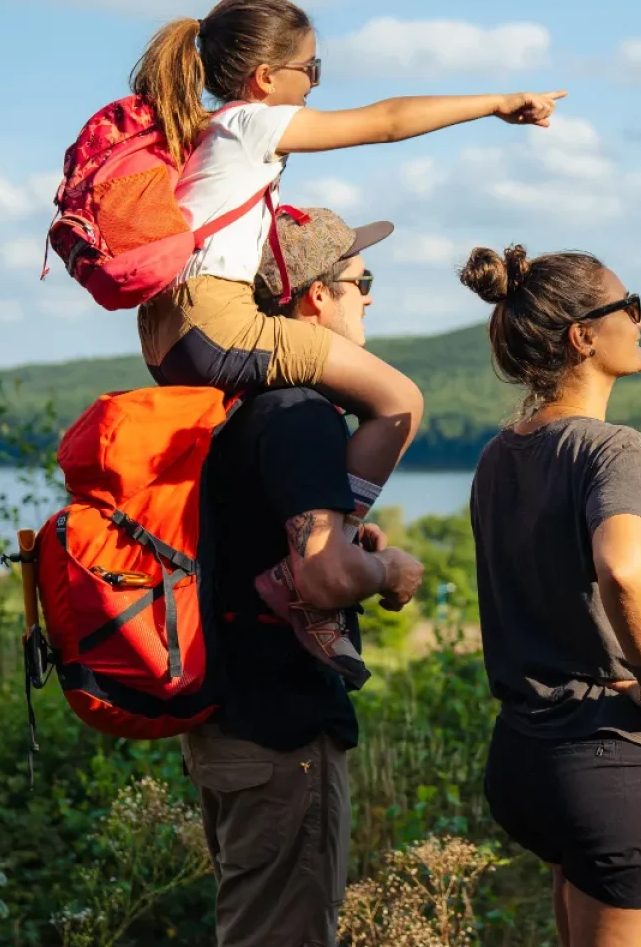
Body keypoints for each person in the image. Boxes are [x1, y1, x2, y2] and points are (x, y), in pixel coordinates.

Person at [128, 0, 564, 681]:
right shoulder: (250, 125)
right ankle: (309, 569)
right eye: (311, 70)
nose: (315, 85)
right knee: (400, 401)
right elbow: (387, 122)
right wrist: (497, 101)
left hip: (166, 335)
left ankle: (308, 547)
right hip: (214, 317)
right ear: (267, 78)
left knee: (292, 430)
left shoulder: (205, 135)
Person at [182, 206, 425, 947]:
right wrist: (386, 570)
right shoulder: (299, 412)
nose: (370, 298)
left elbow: (284, 549)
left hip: (235, 725)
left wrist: (344, 547)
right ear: (315, 297)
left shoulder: (245, 409)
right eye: (361, 282)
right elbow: (320, 577)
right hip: (280, 736)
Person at [459, 245, 641, 947]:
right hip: (616, 758)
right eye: (630, 306)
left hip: (529, 756)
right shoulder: (616, 450)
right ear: (583, 336)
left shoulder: (501, 453)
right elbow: (623, 568)